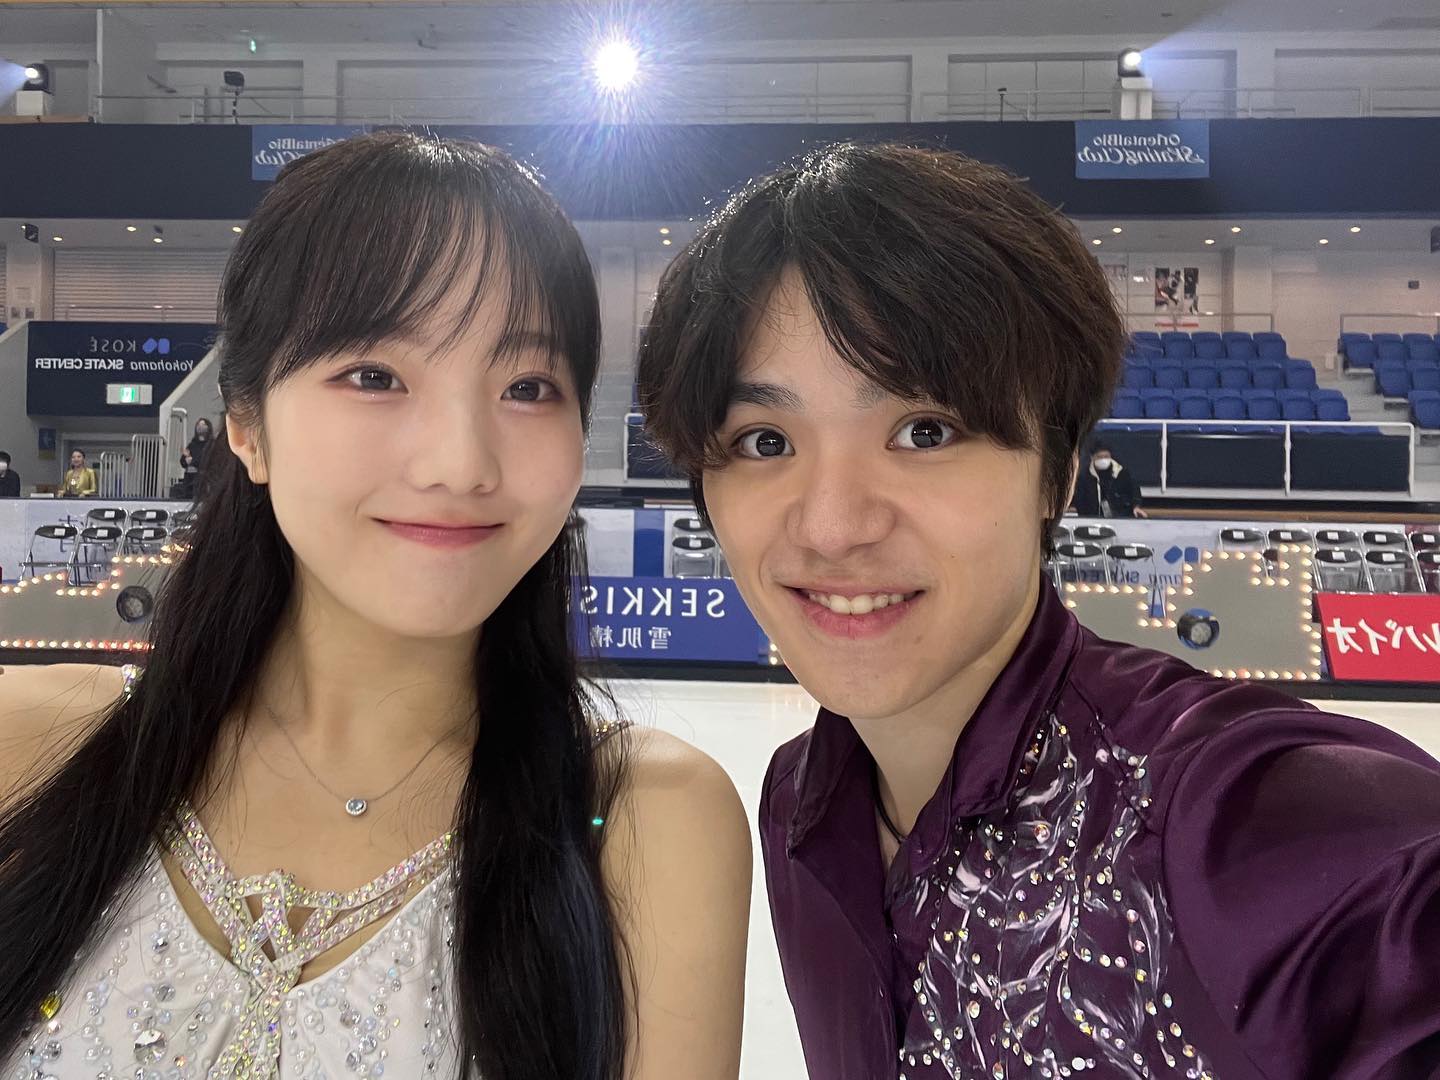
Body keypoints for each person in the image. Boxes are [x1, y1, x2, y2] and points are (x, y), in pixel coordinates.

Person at [637, 142, 1440, 1079]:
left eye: (925, 431)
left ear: (1057, 472)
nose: (832, 526)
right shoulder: (799, 808)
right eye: (765, 440)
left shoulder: (1239, 825)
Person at [0, 132, 750, 1080]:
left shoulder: (644, 822)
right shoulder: (31, 743)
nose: (461, 465)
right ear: (246, 425)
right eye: (375, 376)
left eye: (527, 387)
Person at [1072, 438, 1146, 518]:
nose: (1103, 459)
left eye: (1106, 456)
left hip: (1121, 518)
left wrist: (1136, 506)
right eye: (1100, 457)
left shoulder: (1121, 473)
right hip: (1092, 518)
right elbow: (1080, 500)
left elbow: (1134, 491)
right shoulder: (1084, 476)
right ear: (1092, 457)